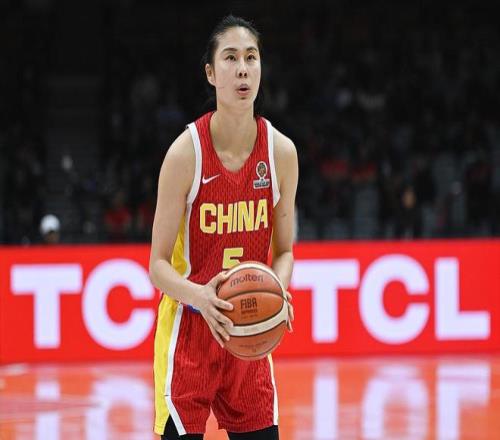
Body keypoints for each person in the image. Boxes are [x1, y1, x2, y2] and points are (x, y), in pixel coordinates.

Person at [149, 15, 298, 440]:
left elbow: (284, 251)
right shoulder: (185, 154)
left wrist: (278, 290)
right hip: (189, 334)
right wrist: (201, 297)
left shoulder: (281, 153)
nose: (243, 69)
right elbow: (157, 266)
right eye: (230, 58)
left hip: (249, 332)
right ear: (211, 74)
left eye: (251, 57)